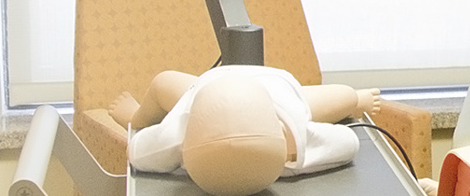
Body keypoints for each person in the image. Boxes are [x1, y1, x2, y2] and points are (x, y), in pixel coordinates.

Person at [107, 66, 382, 196]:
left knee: (346, 96)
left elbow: (140, 152)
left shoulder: (294, 136)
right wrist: (137, 127)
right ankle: (135, 114)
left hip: (282, 91)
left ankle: (356, 98)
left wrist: (138, 134)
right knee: (163, 81)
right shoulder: (299, 149)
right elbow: (347, 143)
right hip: (206, 90)